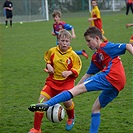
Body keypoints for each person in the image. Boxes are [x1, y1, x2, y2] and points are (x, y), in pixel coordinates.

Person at [28, 26, 133, 133]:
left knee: (76, 91)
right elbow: (87, 75)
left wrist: (74, 91)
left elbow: (128, 46)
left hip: (110, 76)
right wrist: (75, 89)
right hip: (118, 84)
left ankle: (46, 105)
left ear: (97, 38)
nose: (87, 44)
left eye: (89, 41)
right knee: (95, 108)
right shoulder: (96, 57)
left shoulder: (106, 46)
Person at [28, 29, 82, 133]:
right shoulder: (52, 51)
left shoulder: (74, 55)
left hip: (66, 83)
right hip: (52, 82)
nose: (64, 43)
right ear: (58, 40)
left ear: (70, 42)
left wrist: (69, 72)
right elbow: (47, 59)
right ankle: (36, 128)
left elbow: (77, 68)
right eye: (62, 40)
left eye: (66, 41)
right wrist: (48, 66)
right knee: (40, 102)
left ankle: (71, 118)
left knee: (67, 101)